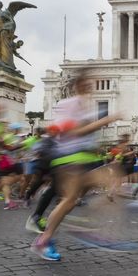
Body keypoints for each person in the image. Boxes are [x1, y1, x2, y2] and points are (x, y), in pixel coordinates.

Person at [31, 73, 121, 262]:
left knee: (85, 193)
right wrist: (104, 121)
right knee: (71, 199)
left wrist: (95, 145)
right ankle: (46, 238)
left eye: (91, 85)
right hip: (68, 158)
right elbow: (71, 131)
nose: (90, 88)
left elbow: (85, 134)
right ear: (77, 86)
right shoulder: (69, 105)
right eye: (86, 84)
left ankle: (74, 227)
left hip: (82, 158)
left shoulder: (83, 106)